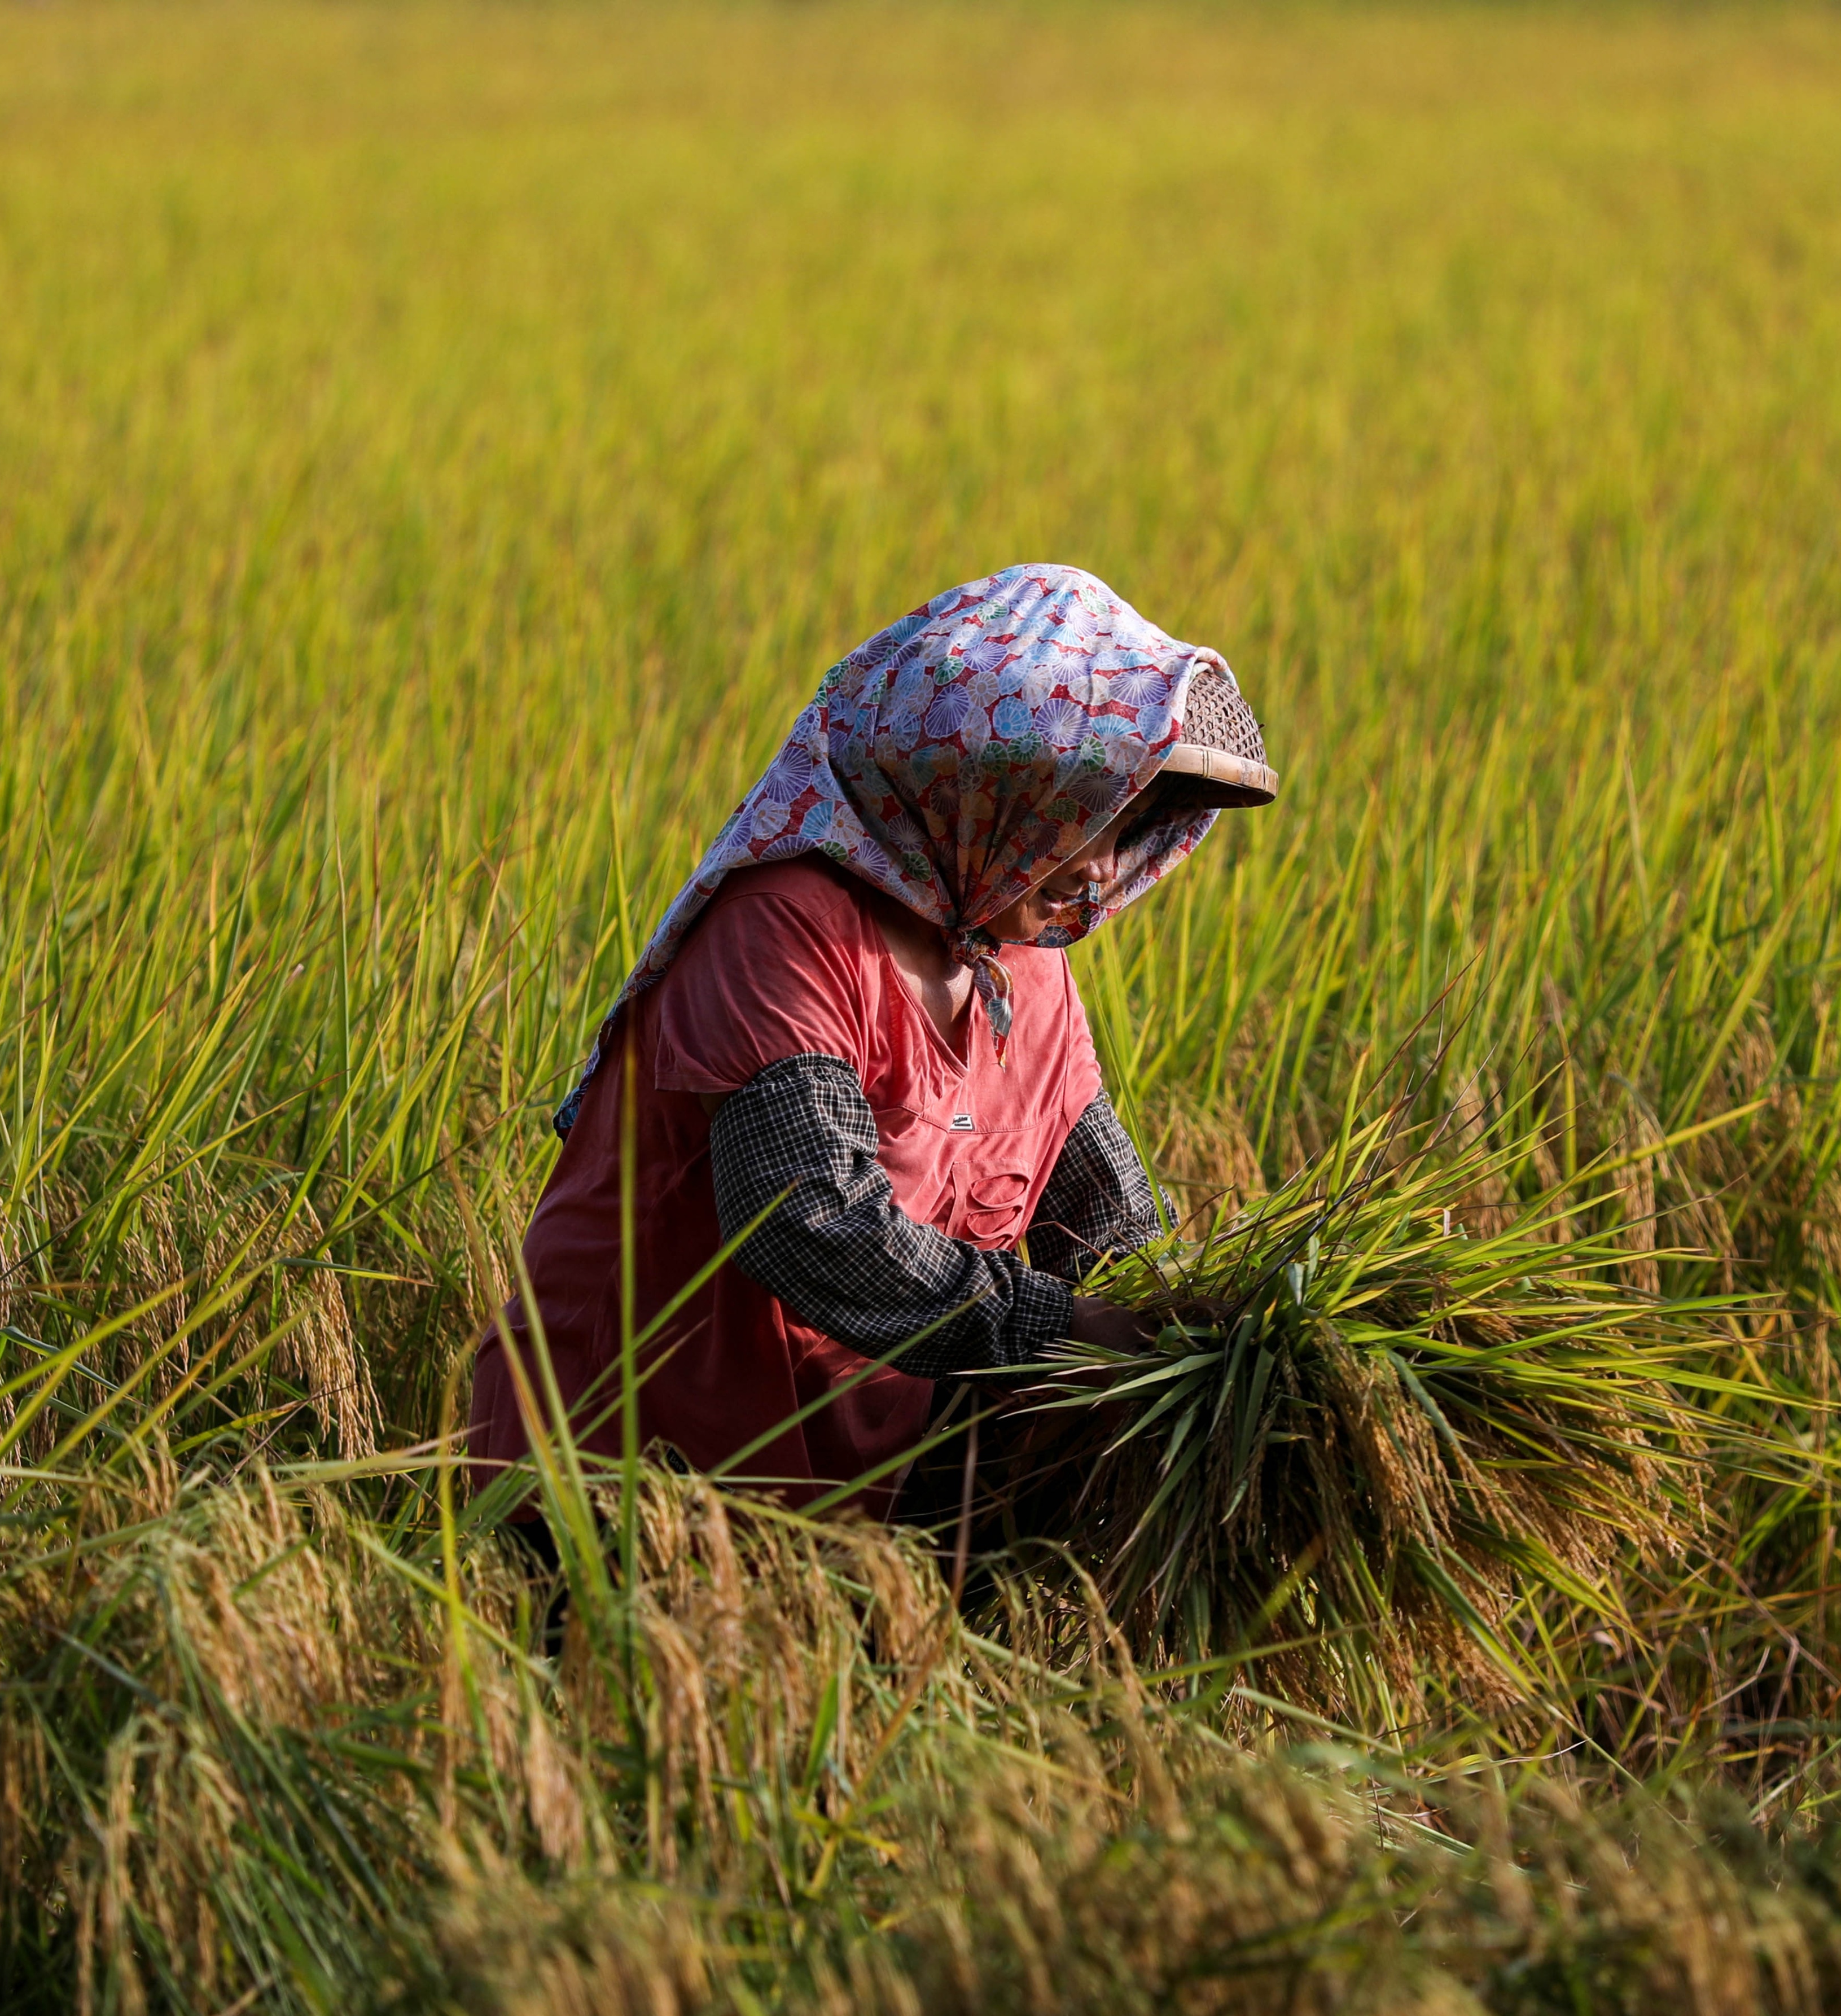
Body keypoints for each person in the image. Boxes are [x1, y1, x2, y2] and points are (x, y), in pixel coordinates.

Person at [464, 562, 1278, 1513]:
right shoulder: (785, 926)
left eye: (1120, 821)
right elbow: (809, 1221)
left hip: (843, 1495)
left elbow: (1110, 1233)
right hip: (622, 1479)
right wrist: (1059, 1327)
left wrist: (1219, 1340)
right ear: (976, 780)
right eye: (1072, 812)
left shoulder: (1028, 972)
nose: (1095, 865)